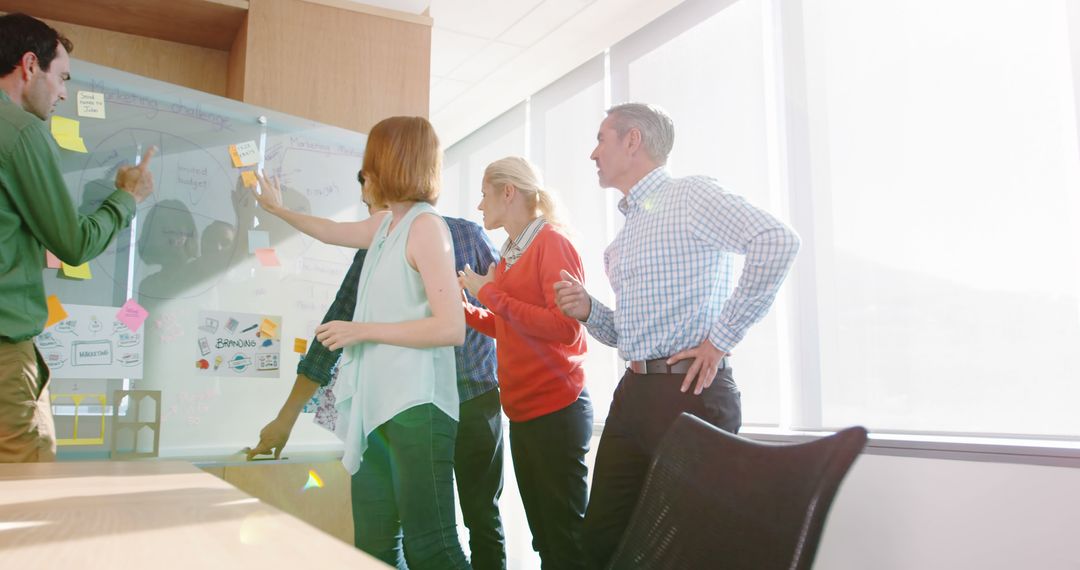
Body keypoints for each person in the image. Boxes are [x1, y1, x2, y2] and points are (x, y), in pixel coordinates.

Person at [553, 102, 801, 568]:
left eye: (601, 139)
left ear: (633, 141)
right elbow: (630, 335)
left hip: (691, 392)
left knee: (693, 547)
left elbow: (777, 240)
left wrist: (722, 339)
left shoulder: (690, 195)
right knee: (601, 540)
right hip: (635, 394)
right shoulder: (624, 239)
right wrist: (589, 309)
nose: (592, 153)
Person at [250, 115, 470, 569]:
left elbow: (451, 328)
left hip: (417, 411)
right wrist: (277, 210)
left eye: (367, 167)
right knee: (374, 545)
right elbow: (331, 231)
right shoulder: (388, 226)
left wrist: (362, 330)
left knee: (432, 548)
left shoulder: (427, 227)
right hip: (378, 413)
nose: (363, 178)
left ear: (390, 164)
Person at [0, 13, 156, 463]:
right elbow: (74, 244)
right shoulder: (20, 131)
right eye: (62, 77)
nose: (64, 93)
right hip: (4, 354)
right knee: (28, 496)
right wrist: (126, 197)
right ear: (30, 65)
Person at [458, 156, 591, 570]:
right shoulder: (508, 254)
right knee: (545, 540)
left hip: (557, 409)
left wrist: (489, 293)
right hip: (523, 412)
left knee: (565, 537)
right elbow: (510, 326)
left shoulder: (551, 242)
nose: (480, 206)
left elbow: (566, 328)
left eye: (484, 194)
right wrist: (464, 306)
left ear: (508, 192)